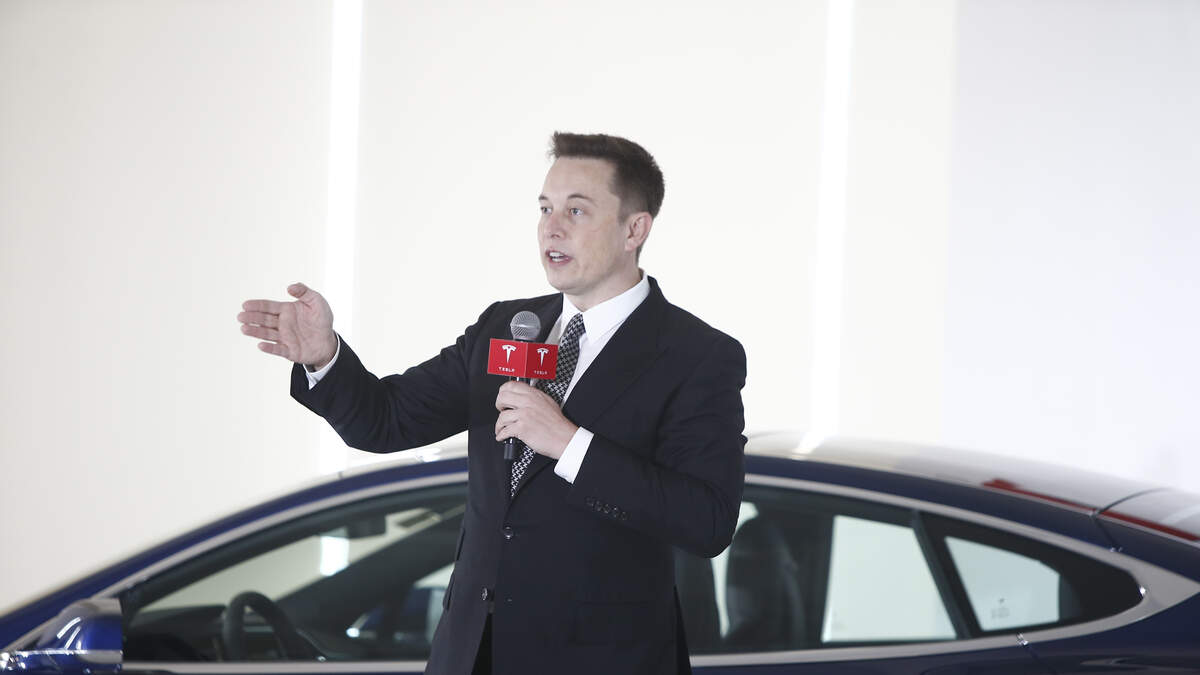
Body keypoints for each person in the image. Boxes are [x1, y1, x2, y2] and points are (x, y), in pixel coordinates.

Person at [238, 132, 747, 675]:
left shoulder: (695, 356)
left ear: (634, 229)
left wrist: (570, 444)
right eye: (545, 208)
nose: (552, 228)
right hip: (471, 654)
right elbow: (386, 421)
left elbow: (707, 521)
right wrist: (325, 357)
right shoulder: (505, 326)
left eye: (576, 210)